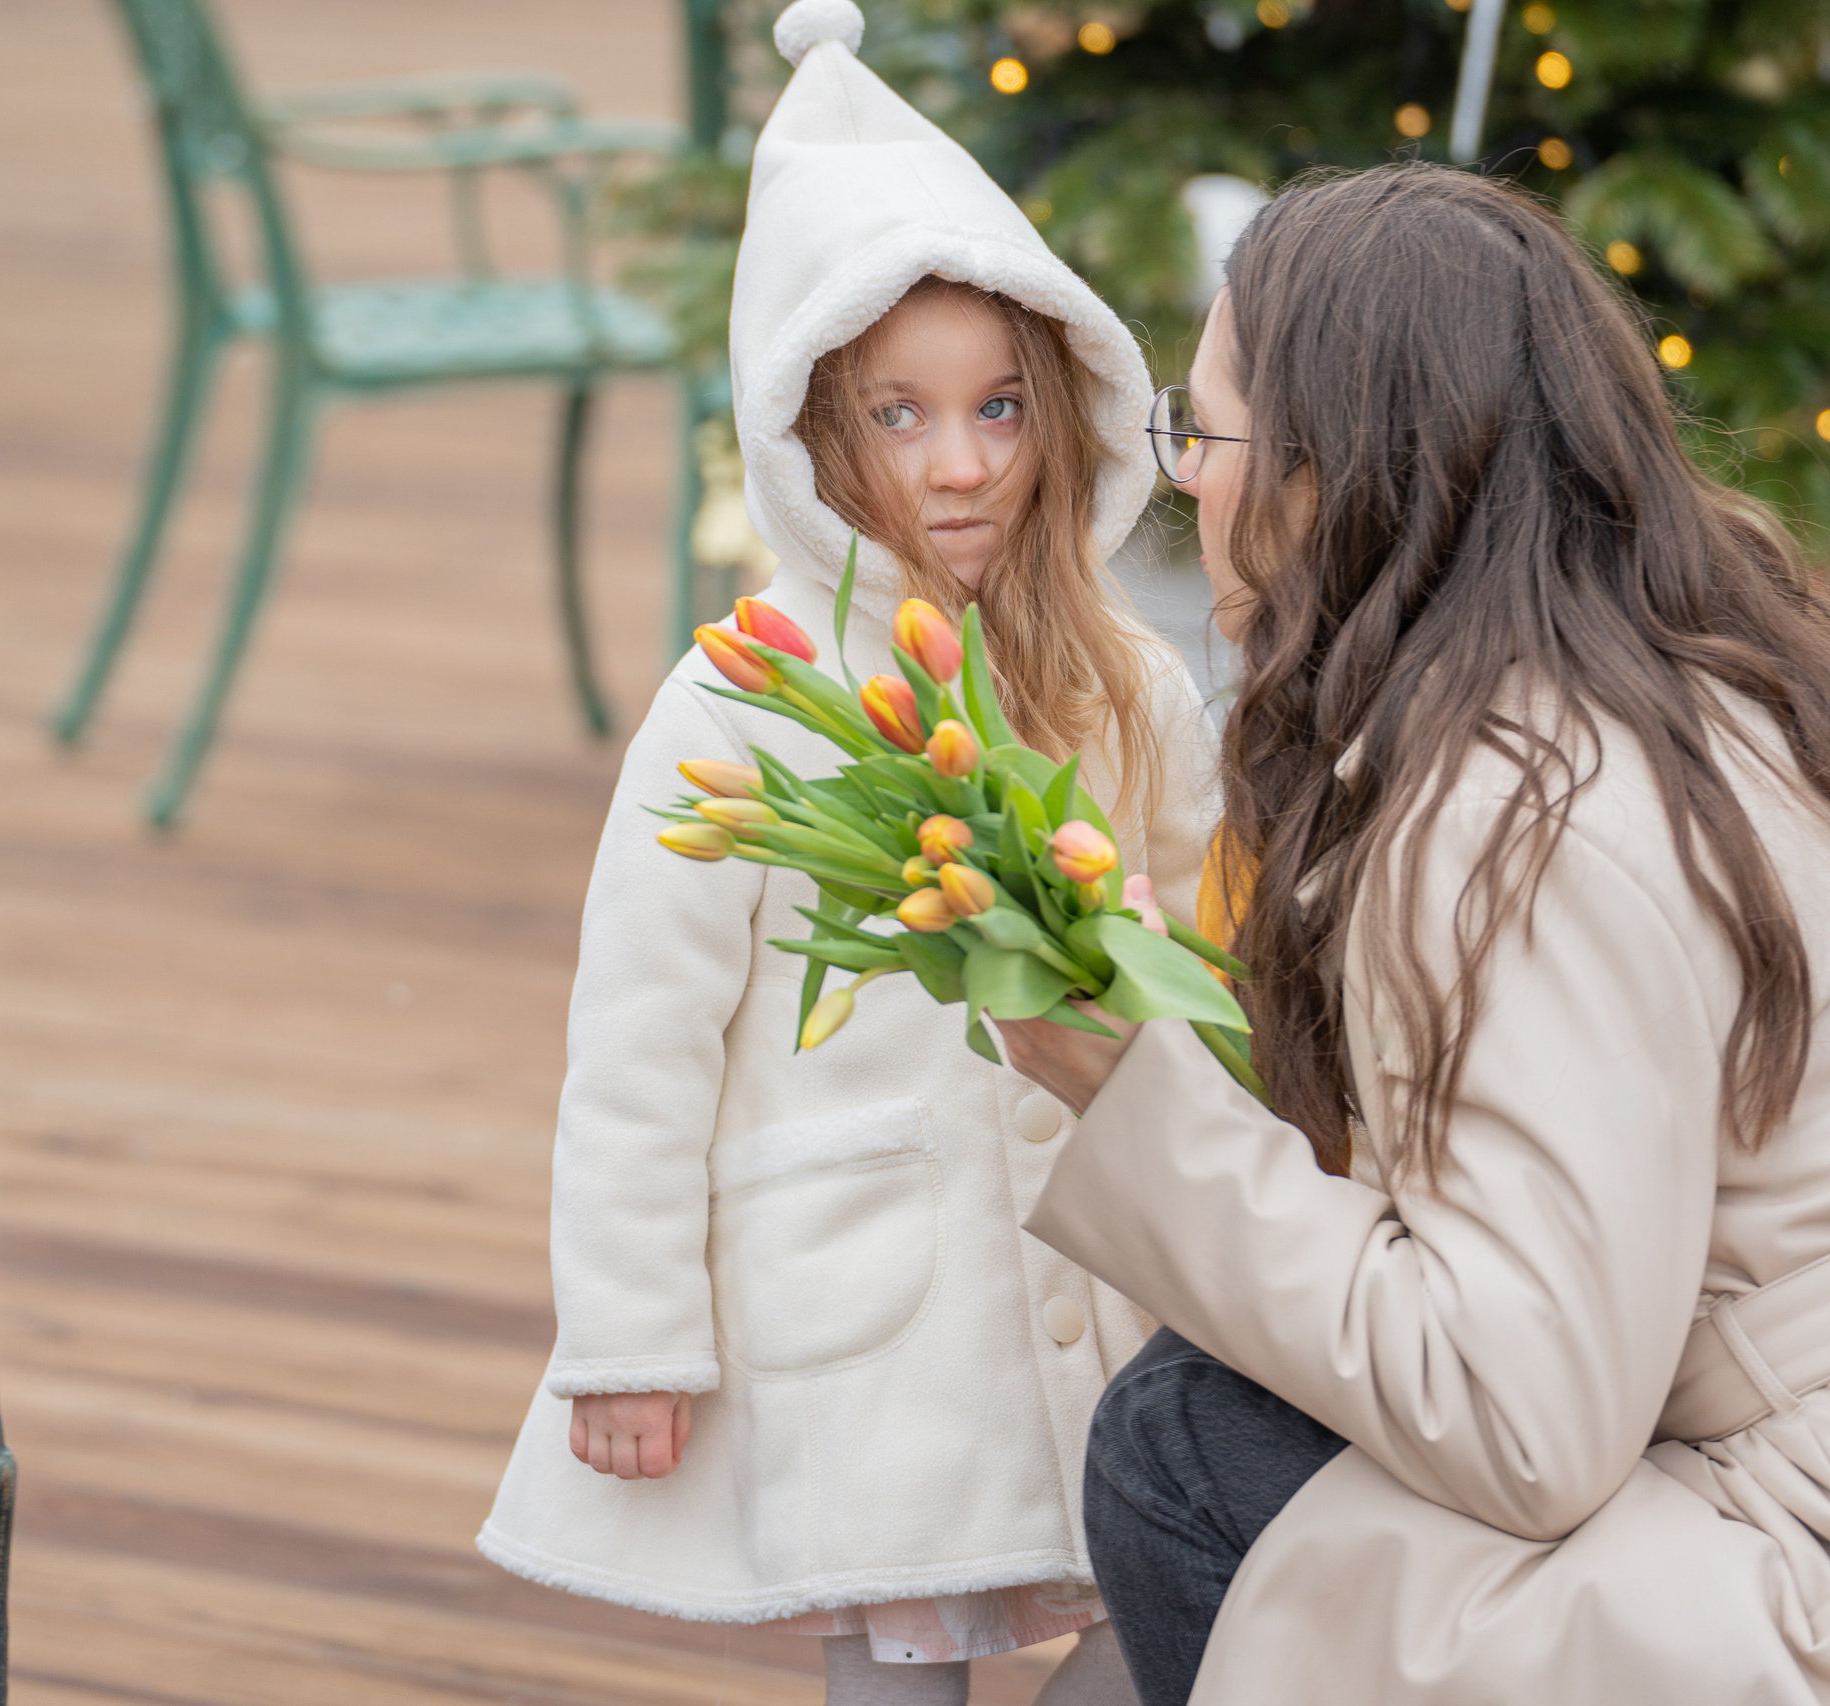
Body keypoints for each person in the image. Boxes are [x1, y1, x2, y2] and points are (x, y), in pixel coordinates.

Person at [998, 164, 1830, 1706]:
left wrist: (1139, 1092)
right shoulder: (1771, 679)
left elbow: (1529, 1421)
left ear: (1334, 473)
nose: (1187, 479)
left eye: (1203, 434)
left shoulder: (1509, 800)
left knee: (1189, 1438)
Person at [477, 4, 1216, 1702]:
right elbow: (642, 1041)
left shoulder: (1119, 677)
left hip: (1109, 1275)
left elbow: (1197, 936)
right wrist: (631, 1329)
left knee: (1163, 1602)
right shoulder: (742, 700)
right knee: (898, 1642)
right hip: (878, 1305)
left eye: (1003, 408)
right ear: (816, 426)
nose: (961, 465)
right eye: (901, 415)